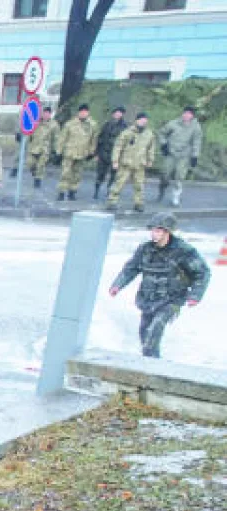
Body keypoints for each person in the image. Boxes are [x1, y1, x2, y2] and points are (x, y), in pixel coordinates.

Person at [107, 212, 210, 358]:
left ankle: (152, 365)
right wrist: (117, 285)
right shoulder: (145, 249)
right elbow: (131, 268)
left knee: (155, 331)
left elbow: (202, 273)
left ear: (167, 232)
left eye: (158, 230)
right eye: (153, 230)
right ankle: (150, 362)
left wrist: (195, 296)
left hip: (171, 300)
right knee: (144, 333)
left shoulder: (183, 251)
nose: (154, 234)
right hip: (148, 299)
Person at [108, 112, 155, 213]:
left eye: (145, 120)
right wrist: (115, 161)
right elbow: (118, 147)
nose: (143, 122)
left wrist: (150, 160)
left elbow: (151, 148)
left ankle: (138, 203)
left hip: (140, 164)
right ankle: (112, 201)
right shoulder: (127, 132)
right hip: (126, 163)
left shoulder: (149, 134)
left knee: (139, 185)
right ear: (136, 120)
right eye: (141, 120)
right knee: (119, 183)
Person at [156, 106, 203, 208]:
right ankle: (162, 189)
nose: (186, 115)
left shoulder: (196, 127)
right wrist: (164, 144)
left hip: (184, 155)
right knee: (165, 174)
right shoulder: (173, 123)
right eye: (185, 113)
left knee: (180, 176)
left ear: (192, 116)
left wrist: (195, 156)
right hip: (171, 153)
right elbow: (161, 133)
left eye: (189, 114)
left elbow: (197, 142)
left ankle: (175, 197)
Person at [55, 104, 97, 202]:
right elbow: (62, 138)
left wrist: (91, 152)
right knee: (65, 173)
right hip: (69, 153)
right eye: (82, 112)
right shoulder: (70, 124)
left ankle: (72, 192)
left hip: (82, 153)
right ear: (78, 112)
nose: (83, 113)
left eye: (85, 112)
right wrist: (58, 152)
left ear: (88, 113)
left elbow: (93, 139)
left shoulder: (92, 125)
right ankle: (61, 192)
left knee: (77, 174)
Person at [93, 107, 127, 200]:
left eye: (120, 113)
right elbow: (100, 138)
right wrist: (96, 153)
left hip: (116, 155)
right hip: (104, 152)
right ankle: (96, 191)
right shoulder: (107, 124)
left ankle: (109, 192)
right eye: (116, 113)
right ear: (113, 114)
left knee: (114, 175)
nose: (117, 115)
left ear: (122, 114)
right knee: (100, 173)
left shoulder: (125, 127)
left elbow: (126, 143)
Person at [26, 106, 57, 189]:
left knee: (41, 165)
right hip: (33, 147)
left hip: (45, 149)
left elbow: (56, 138)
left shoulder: (54, 125)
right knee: (30, 163)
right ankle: (34, 172)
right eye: (45, 113)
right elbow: (28, 130)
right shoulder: (36, 122)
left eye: (48, 113)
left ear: (50, 114)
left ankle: (38, 180)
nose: (46, 115)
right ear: (42, 113)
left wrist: (55, 150)